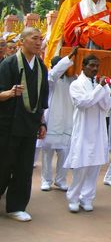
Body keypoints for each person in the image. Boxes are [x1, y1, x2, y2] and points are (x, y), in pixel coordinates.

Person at [0, 27, 49, 222]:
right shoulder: (8, 64)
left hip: (29, 125)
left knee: (23, 168)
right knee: (3, 165)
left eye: (40, 39)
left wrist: (42, 123)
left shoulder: (41, 67)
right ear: (22, 41)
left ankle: (16, 206)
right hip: (8, 124)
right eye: (34, 38)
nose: (38, 42)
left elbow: (43, 97)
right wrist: (10, 93)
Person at [64, 54, 111, 213]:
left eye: (97, 66)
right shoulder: (76, 85)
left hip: (98, 131)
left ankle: (87, 198)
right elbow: (84, 103)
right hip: (83, 131)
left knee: (95, 167)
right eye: (91, 65)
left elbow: (106, 106)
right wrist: (100, 88)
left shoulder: (100, 84)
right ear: (83, 66)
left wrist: (104, 88)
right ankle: (73, 198)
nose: (95, 69)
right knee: (81, 167)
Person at [39, 47, 78, 192]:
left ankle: (60, 180)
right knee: (47, 153)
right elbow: (55, 73)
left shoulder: (72, 80)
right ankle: (46, 181)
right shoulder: (51, 78)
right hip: (52, 120)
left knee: (64, 153)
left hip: (67, 121)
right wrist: (69, 58)